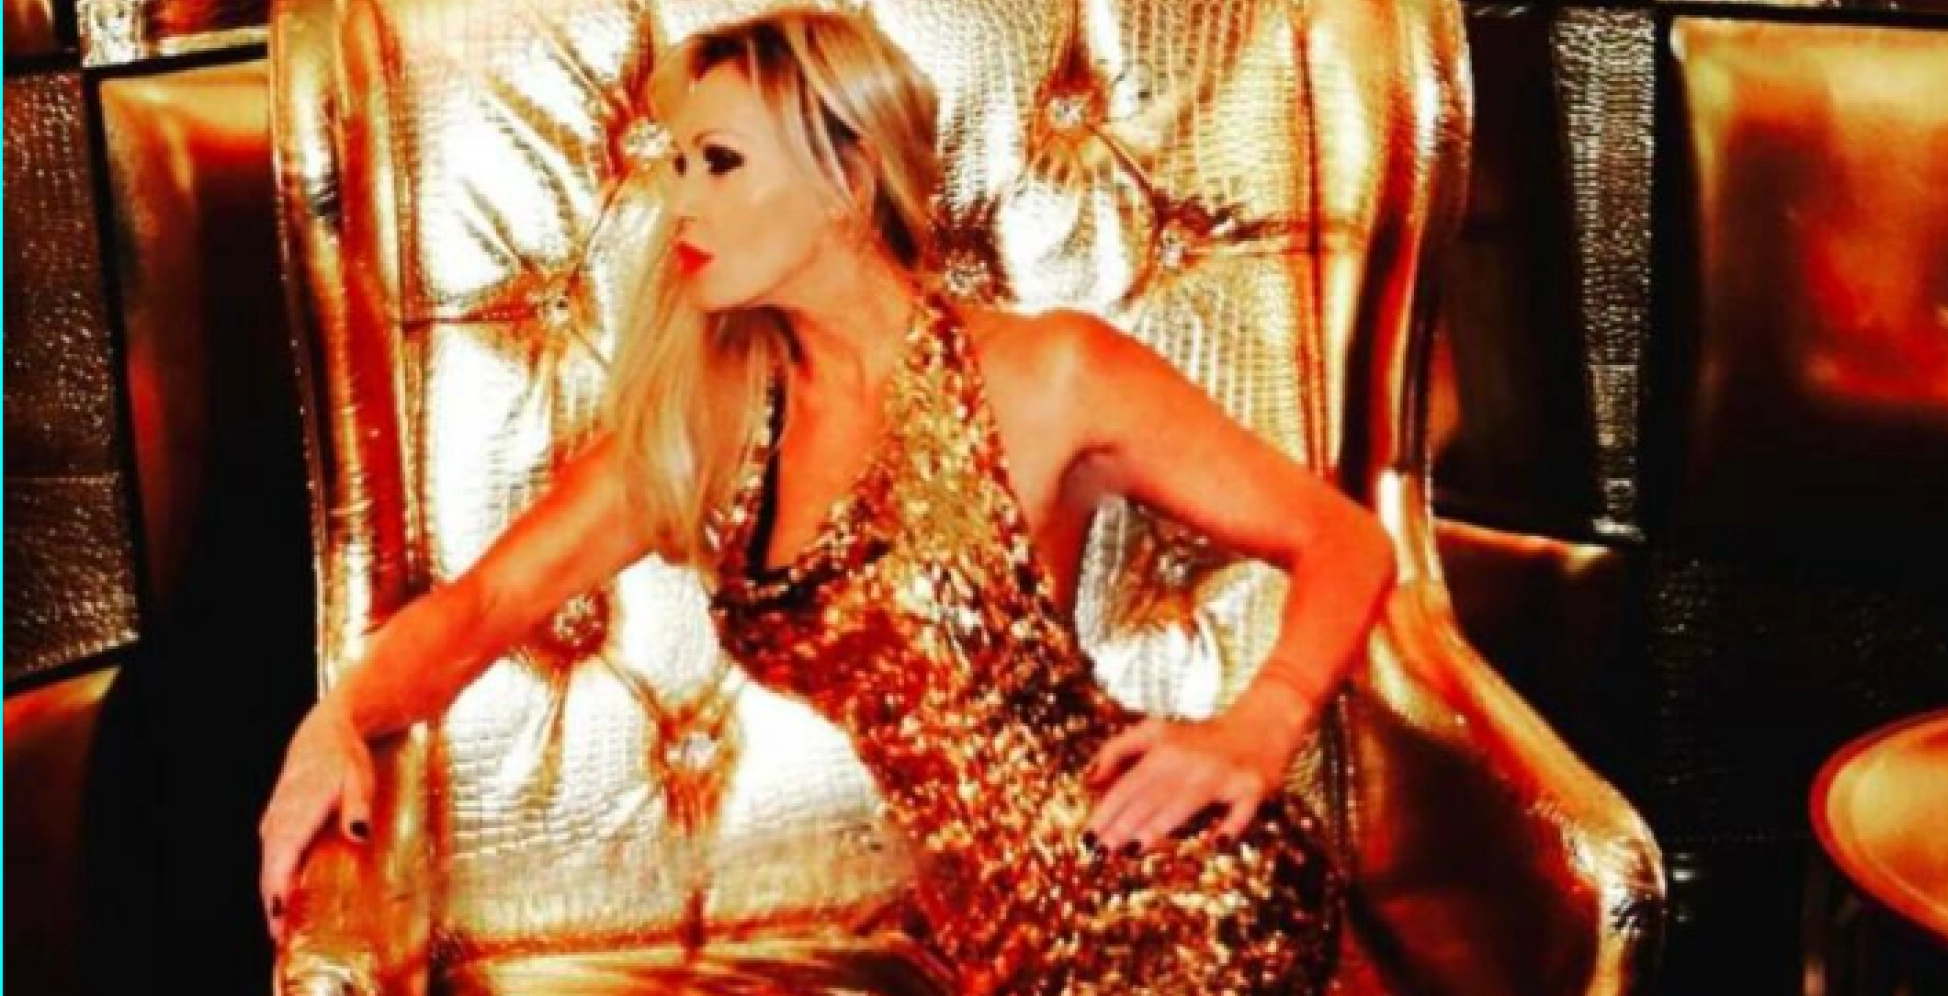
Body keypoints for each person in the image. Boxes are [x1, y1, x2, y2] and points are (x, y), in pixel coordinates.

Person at [259, 9, 1396, 993]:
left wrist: (1260, 725)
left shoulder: (1047, 373)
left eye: (717, 162)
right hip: (993, 947)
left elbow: (1343, 539)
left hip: (1179, 888)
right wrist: (337, 718)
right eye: (675, 165)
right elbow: (481, 609)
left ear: (847, 179)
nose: (678, 203)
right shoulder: (708, 426)